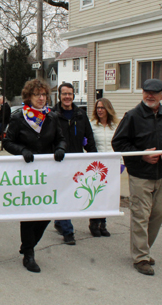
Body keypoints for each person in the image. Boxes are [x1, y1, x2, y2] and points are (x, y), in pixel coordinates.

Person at [112, 79, 162, 276]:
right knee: (140, 215)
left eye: (154, 92)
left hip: (161, 175)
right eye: (146, 92)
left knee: (159, 215)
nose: (149, 96)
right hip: (140, 176)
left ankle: (142, 248)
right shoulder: (132, 117)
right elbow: (118, 143)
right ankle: (141, 257)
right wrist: (141, 155)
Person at [3, 79, 66, 273]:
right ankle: (29, 253)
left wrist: (61, 149)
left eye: (44, 94)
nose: (41, 98)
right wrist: (21, 150)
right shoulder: (18, 117)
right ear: (28, 97)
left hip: (47, 173)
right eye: (37, 94)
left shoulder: (52, 117)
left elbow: (61, 139)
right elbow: (7, 142)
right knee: (29, 214)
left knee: (47, 212)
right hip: (27, 173)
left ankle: (27, 245)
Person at [52, 83, 97, 245]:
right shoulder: (52, 114)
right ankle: (67, 231)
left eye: (70, 94)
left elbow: (89, 138)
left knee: (71, 193)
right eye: (64, 94)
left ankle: (59, 221)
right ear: (59, 95)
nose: (67, 97)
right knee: (63, 193)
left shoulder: (80, 115)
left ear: (73, 95)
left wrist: (94, 158)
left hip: (77, 162)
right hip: (58, 162)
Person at [89, 98, 120, 237]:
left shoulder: (115, 126)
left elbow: (120, 146)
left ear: (108, 109)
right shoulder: (92, 125)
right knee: (97, 195)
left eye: (102, 108)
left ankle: (103, 223)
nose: (100, 110)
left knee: (107, 195)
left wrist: (121, 162)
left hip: (111, 164)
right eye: (98, 108)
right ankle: (94, 222)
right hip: (97, 166)